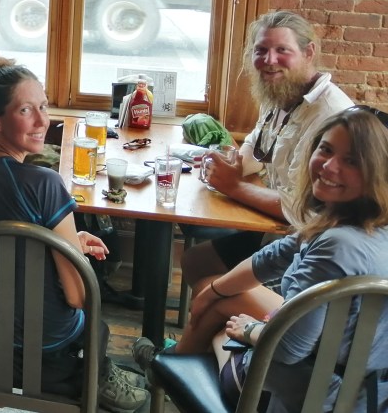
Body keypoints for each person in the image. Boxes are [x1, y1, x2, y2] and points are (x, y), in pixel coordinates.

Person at [138, 107, 388, 412]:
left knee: (221, 323)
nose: (329, 166)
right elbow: (275, 255)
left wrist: (250, 329)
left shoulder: (337, 246)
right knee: (216, 294)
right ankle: (171, 362)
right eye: (325, 149)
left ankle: (169, 369)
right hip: (365, 392)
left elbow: (288, 349)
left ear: (376, 172)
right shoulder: (362, 223)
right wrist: (213, 292)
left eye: (351, 161)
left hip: (307, 398)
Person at [0, 56, 148, 413]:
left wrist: (65, 241)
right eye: (26, 110)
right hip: (44, 356)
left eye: (43, 106)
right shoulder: (46, 183)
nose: (43, 121)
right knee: (95, 321)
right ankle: (98, 375)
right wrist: (72, 253)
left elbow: (0, 248)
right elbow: (76, 296)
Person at [181, 10, 353, 298]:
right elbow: (255, 144)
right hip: (279, 234)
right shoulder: (281, 92)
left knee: (209, 292)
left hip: (315, 247)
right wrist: (230, 163)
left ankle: (233, 321)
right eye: (261, 50)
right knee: (195, 261)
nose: (269, 60)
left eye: (282, 50)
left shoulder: (329, 114)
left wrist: (233, 186)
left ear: (308, 52)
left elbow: (304, 208)